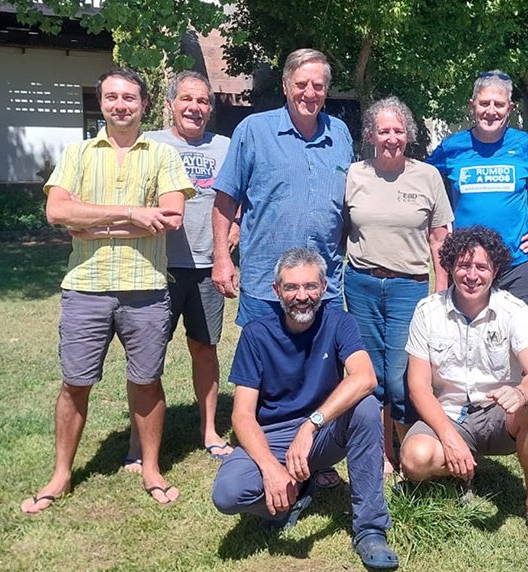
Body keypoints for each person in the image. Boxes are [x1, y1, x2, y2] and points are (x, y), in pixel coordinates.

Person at [21, 67, 194, 514]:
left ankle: (151, 468)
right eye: (113, 97)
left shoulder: (162, 155)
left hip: (146, 289)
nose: (122, 105)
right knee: (75, 383)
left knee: (147, 380)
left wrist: (92, 224)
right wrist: (133, 216)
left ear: (144, 104)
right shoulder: (78, 153)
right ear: (101, 103)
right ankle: (60, 474)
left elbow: (171, 218)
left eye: (130, 98)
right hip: (86, 288)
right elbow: (57, 212)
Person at [211, 248, 399, 570]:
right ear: (276, 291)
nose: (302, 296)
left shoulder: (339, 322)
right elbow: (241, 415)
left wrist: (310, 425)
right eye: (291, 287)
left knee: (366, 406)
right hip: (272, 436)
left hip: (321, 432)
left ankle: (370, 528)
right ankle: (290, 497)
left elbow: (365, 378)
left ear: (324, 288)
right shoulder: (257, 334)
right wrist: (271, 468)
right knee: (228, 493)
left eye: (310, 286)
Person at [400, 226, 528, 556]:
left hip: (501, 415)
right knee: (414, 461)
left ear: (496, 270)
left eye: (481, 267)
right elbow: (418, 387)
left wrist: (519, 394)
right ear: (448, 266)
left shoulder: (514, 310)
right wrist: (448, 437)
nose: (471, 275)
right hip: (449, 413)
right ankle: (459, 469)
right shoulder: (427, 312)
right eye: (463, 265)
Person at [119, 71, 234, 471]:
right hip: (156, 268)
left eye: (203, 101)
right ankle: (139, 440)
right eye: (187, 99)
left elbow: (240, 197)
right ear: (170, 105)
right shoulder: (149, 143)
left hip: (206, 267)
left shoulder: (225, 146)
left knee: (205, 349)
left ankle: (209, 431)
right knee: (147, 357)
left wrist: (234, 230)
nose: (195, 108)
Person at [343, 96, 453, 477]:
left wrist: (442, 290)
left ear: (409, 134)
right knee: (370, 374)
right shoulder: (354, 174)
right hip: (361, 284)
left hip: (409, 286)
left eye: (399, 130)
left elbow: (440, 239)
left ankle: (410, 451)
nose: (392, 137)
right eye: (384, 130)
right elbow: (340, 228)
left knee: (401, 375)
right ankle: (379, 452)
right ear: (371, 134)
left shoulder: (427, 176)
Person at [211, 48, 353, 326]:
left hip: (324, 286)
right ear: (285, 86)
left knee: (323, 368)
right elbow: (226, 199)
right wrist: (222, 258)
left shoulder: (340, 134)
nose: (309, 93)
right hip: (268, 286)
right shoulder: (253, 130)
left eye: (318, 86)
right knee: (263, 366)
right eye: (301, 84)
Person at [426, 70, 528, 327]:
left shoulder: (525, 145)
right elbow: (422, 182)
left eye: (499, 104)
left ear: (509, 108)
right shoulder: (452, 147)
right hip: (469, 267)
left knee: (524, 344)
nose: (491, 111)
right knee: (468, 344)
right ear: (472, 106)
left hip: (516, 264)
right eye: (484, 103)